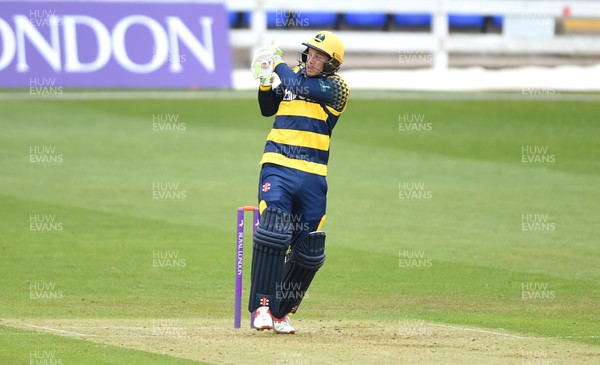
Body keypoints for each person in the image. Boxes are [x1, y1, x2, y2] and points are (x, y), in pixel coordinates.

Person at [248, 31, 349, 334]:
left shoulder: (337, 88)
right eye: (310, 53)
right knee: (274, 228)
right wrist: (266, 81)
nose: (313, 59)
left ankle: (281, 312)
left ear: (333, 64)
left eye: (321, 56)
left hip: (314, 174)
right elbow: (268, 108)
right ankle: (262, 308)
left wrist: (275, 63)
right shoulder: (292, 75)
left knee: (308, 247)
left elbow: (298, 86)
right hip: (278, 163)